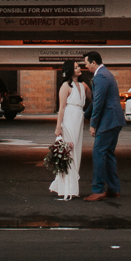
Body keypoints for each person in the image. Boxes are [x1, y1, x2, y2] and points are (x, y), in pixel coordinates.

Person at [81, 50, 125, 200]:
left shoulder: (100, 76)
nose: (85, 66)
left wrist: (93, 124)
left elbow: (98, 102)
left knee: (99, 153)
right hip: (115, 119)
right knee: (108, 154)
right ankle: (114, 189)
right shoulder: (106, 74)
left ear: (93, 62)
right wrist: (85, 116)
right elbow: (96, 101)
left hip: (108, 120)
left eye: (86, 63)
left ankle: (98, 190)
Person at [48, 61, 90, 200]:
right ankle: (67, 188)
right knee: (69, 152)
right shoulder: (65, 86)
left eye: (79, 66)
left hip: (79, 118)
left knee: (76, 153)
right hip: (69, 119)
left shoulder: (84, 86)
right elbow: (62, 108)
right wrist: (58, 127)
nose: (79, 68)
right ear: (70, 70)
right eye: (76, 67)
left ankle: (70, 187)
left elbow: (93, 99)